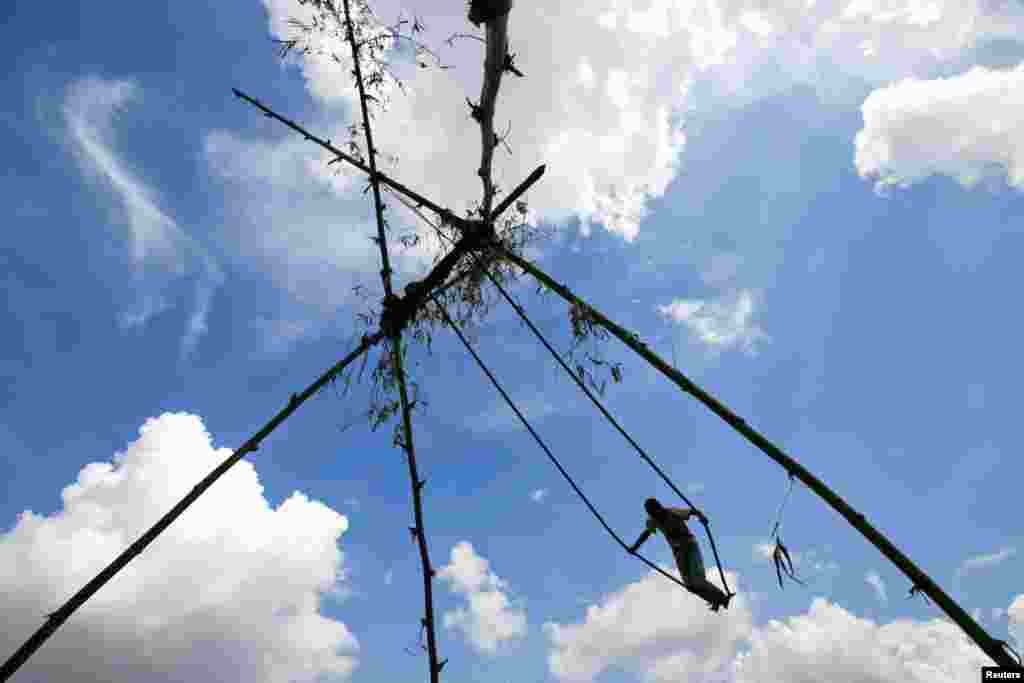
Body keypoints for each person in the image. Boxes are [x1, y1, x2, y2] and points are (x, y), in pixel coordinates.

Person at [629, 497, 731, 611]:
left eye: (656, 511)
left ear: (659, 507)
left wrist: (702, 517)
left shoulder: (671, 511)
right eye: (653, 514)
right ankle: (714, 599)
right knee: (690, 586)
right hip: (678, 552)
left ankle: (721, 597)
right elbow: (646, 533)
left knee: (698, 580)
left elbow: (693, 511)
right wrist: (635, 547)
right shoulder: (653, 520)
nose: (656, 515)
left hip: (690, 546)